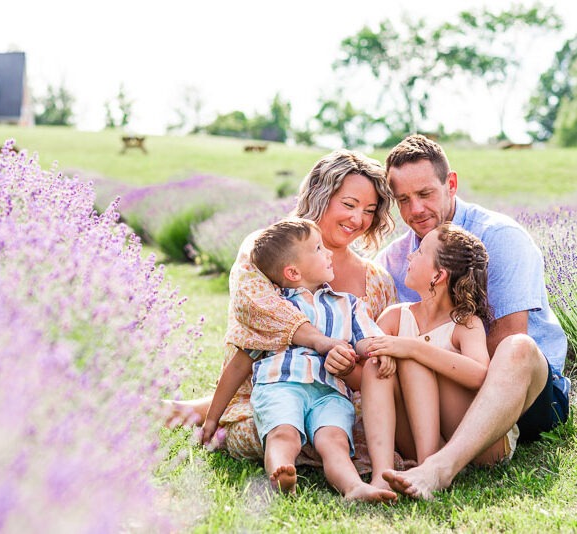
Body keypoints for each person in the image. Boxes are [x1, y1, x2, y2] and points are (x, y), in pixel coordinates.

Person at [166, 149, 402, 475]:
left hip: (339, 407)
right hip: (269, 395)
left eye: (369, 210)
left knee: (355, 434)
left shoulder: (377, 280)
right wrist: (322, 343)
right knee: (268, 427)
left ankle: (192, 411)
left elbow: (374, 372)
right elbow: (261, 315)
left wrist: (346, 367)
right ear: (320, 196)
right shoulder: (267, 252)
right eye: (348, 205)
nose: (358, 219)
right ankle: (206, 415)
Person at [373, 134, 570, 500]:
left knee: (518, 347)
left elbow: (499, 350)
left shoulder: (500, 238)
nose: (415, 210)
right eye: (403, 199)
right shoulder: (396, 259)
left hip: (527, 395)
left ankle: (440, 467)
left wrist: (416, 351)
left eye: (425, 194)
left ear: (451, 184)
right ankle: (426, 452)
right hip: (440, 397)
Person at [200, 218, 396, 501]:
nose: (328, 252)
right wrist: (212, 419)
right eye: (318, 248)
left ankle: (353, 487)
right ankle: (282, 471)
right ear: (292, 272)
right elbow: (240, 363)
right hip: (281, 385)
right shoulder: (276, 310)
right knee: (283, 433)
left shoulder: (348, 304)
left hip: (330, 392)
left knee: (335, 441)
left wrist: (380, 351)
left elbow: (365, 338)